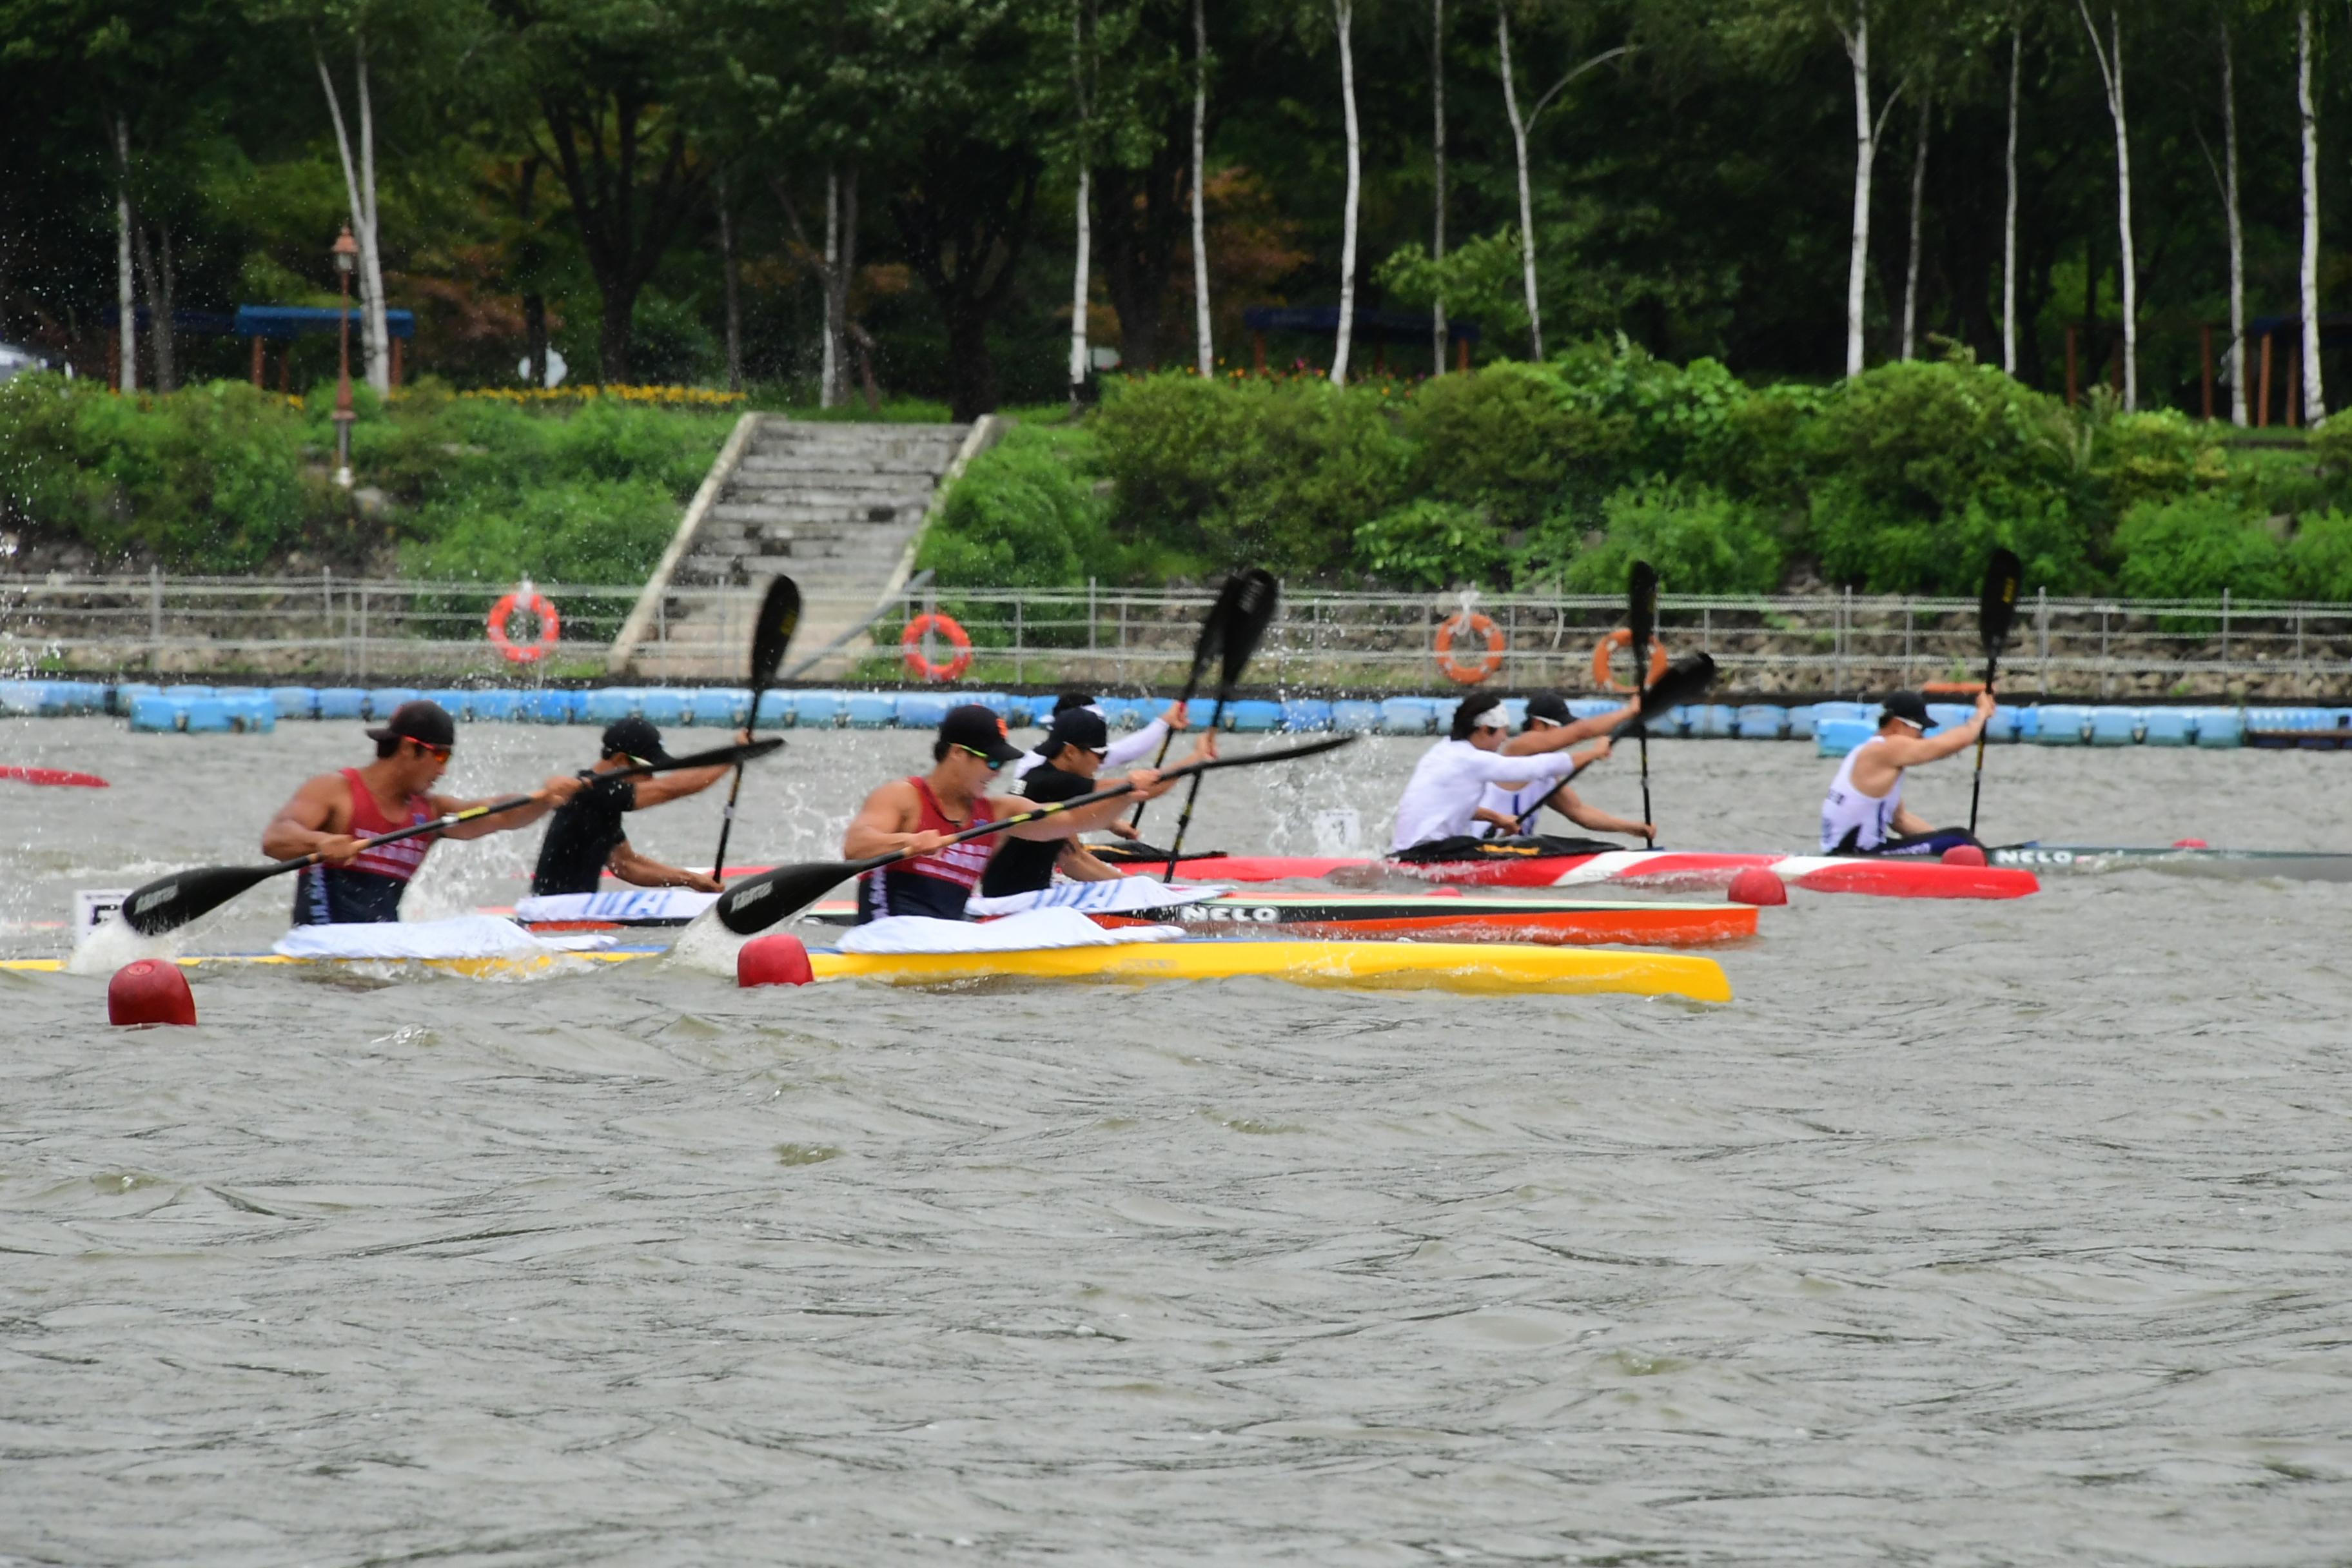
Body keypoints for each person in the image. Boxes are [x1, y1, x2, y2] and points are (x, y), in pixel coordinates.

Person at [842, 703, 1178, 923]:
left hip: (947, 940)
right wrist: (910, 842)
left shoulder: (998, 811)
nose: (996, 772)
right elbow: (856, 845)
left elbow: (1076, 819)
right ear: (958, 754)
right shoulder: (904, 797)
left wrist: (1129, 793)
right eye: (990, 761)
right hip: (885, 938)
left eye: (1001, 763)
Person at [262, 700, 583, 925]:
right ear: (408, 748)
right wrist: (320, 843)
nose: (443, 770)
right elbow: (276, 838)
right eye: (441, 757)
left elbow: (500, 814)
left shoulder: (431, 813)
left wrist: (544, 798)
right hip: (320, 947)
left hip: (384, 958)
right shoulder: (334, 790)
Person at [980, 705, 1214, 898]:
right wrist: (1196, 759)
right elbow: (1141, 789)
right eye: (1099, 754)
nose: (1101, 763)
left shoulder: (1039, 778)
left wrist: (1140, 887)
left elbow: (1073, 859)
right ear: (1070, 752)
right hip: (1014, 908)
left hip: (1016, 896)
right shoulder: (1055, 784)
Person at [1389, 691, 1636, 859]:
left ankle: (1615, 854)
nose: (1506, 739)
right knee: (1551, 846)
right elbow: (1537, 766)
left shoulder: (1443, 751)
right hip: (1432, 854)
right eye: (1502, 733)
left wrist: (1496, 818)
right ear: (1485, 730)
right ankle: (1614, 857)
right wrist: (1593, 754)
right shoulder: (1476, 759)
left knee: (1544, 844)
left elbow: (1447, 805)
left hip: (1416, 851)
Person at [528, 717, 740, 897]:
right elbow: (674, 788)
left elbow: (626, 865)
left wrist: (690, 879)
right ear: (621, 759)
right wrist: (733, 757)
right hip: (554, 913)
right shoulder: (595, 792)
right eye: (648, 768)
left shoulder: (598, 797)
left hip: (565, 908)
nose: (652, 777)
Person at [1819, 689, 1997, 856]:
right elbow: (1950, 744)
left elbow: (1901, 821)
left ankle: (1983, 854)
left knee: (1957, 841)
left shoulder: (1866, 752)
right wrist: (1981, 713)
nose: (1922, 736)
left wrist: (1940, 842)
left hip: (1844, 850)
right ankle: (1993, 862)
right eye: (1921, 729)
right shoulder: (1887, 748)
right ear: (1897, 724)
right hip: (1855, 853)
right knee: (1960, 838)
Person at [1473, 692, 1656, 845]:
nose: (1563, 737)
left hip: (1513, 853)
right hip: (1481, 851)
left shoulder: (1547, 776)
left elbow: (1580, 812)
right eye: (1560, 729)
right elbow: (1580, 733)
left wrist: (1632, 828)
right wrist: (1628, 712)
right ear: (1538, 724)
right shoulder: (1517, 750)